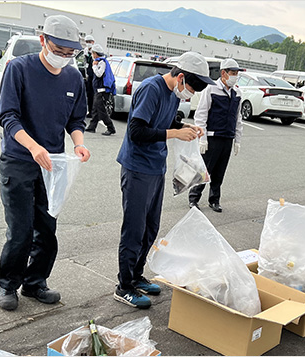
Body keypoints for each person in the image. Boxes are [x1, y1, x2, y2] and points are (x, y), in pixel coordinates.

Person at [0, 15, 90, 311]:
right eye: (58, 50)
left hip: (54, 164)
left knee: (47, 229)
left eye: (69, 53)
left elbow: (76, 119)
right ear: (43, 41)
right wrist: (34, 146)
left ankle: (35, 283)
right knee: (21, 230)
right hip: (20, 159)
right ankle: (8, 285)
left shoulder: (74, 77)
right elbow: (8, 116)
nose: (63, 57)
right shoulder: (19, 69)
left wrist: (79, 143)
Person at [115, 51, 215, 309]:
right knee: (134, 229)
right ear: (180, 77)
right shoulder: (152, 88)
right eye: (191, 88)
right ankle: (124, 286)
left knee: (150, 228)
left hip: (156, 167)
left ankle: (137, 276)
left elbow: (166, 120)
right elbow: (137, 130)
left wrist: (184, 127)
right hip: (137, 167)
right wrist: (174, 133)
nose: (190, 95)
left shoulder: (172, 93)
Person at [188, 58, 244, 212]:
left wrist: (237, 139)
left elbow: (238, 118)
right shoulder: (211, 89)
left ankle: (214, 200)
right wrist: (202, 138)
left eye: (236, 73)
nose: (235, 76)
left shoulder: (237, 93)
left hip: (227, 137)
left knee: (219, 172)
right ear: (223, 73)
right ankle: (194, 198)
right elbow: (201, 115)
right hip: (212, 137)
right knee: (204, 169)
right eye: (232, 73)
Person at [85, 43, 117, 136]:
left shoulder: (101, 62)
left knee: (101, 110)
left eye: (93, 53)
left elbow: (99, 74)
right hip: (99, 90)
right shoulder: (101, 61)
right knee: (95, 109)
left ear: (95, 54)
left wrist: (94, 66)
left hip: (102, 90)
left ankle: (110, 128)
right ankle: (92, 127)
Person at [84, 35, 95, 118]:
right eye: (87, 42)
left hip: (95, 75)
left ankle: (94, 112)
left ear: (93, 42)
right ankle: (90, 111)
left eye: (90, 42)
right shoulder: (85, 51)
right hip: (89, 74)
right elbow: (84, 62)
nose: (88, 44)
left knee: (94, 94)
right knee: (89, 94)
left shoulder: (95, 51)